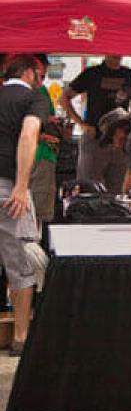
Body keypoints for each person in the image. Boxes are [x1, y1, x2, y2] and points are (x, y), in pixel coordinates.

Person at [0, 55, 48, 355]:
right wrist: (20, 186)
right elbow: (29, 135)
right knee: (21, 263)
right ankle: (20, 336)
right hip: (9, 188)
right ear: (31, 73)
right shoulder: (33, 99)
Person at [61, 55, 131, 193]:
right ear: (105, 51)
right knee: (88, 190)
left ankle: (114, 214)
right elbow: (64, 98)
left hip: (120, 142)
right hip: (95, 140)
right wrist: (81, 124)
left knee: (117, 192)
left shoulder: (130, 75)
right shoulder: (92, 73)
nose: (117, 54)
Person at [28, 55, 62, 228]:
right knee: (35, 212)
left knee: (36, 213)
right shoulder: (27, 91)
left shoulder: (41, 90)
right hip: (37, 155)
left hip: (43, 153)